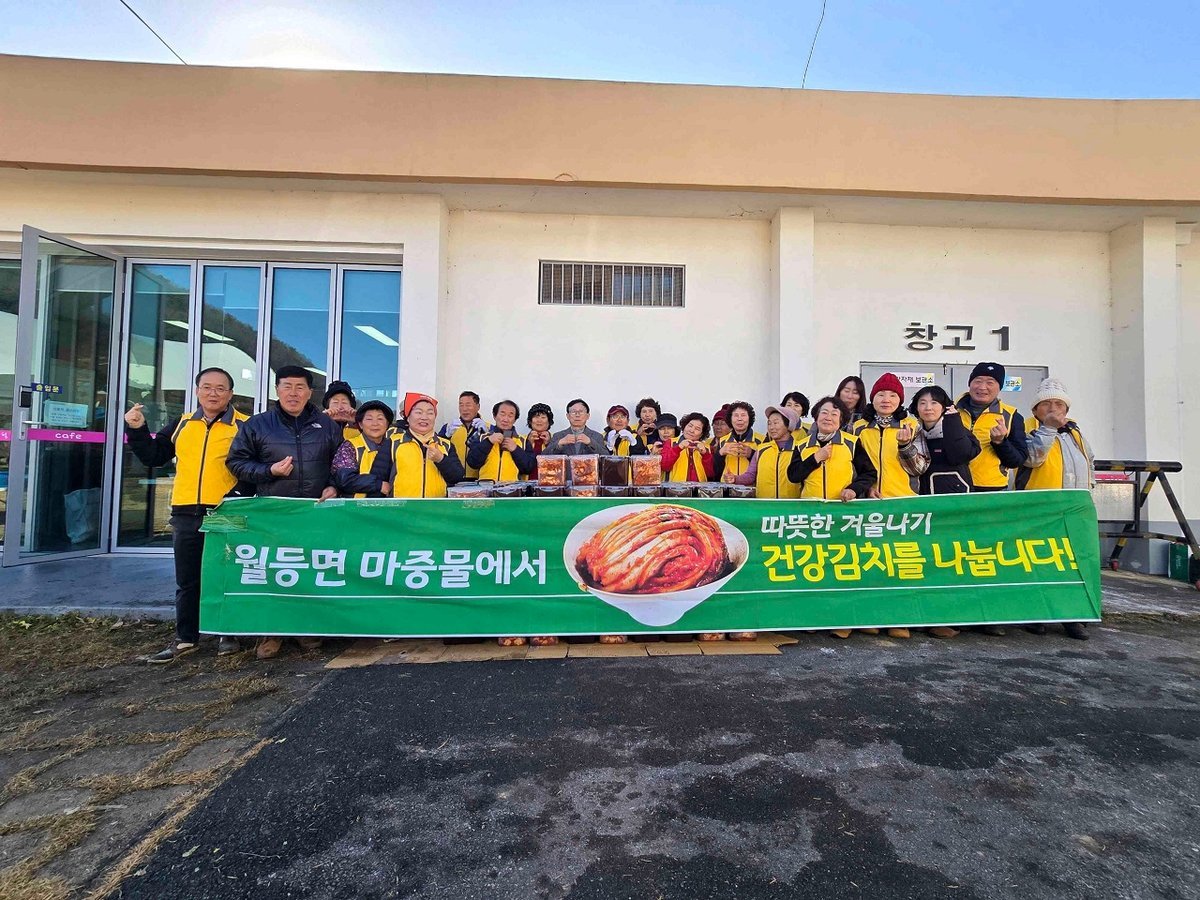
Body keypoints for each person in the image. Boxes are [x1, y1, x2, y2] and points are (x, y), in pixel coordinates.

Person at [124, 367, 250, 663]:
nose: (213, 393)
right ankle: (186, 638)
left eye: (220, 388)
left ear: (231, 394)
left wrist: (238, 496)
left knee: (225, 575)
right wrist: (137, 429)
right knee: (188, 578)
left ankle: (227, 634)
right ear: (197, 391)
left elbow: (251, 466)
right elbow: (154, 456)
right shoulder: (181, 424)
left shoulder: (244, 425)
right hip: (185, 510)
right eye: (207, 387)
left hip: (225, 510)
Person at [226, 365, 343, 659]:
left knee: (311, 570)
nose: (293, 393)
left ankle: (307, 629)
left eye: (300, 387)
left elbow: (342, 463)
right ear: (277, 389)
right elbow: (236, 463)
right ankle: (273, 631)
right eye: (287, 386)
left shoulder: (327, 426)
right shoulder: (257, 425)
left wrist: (334, 485)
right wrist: (269, 471)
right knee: (275, 571)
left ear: (310, 392)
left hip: (315, 512)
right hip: (274, 512)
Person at [786, 396, 876, 639]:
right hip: (811, 516)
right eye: (824, 412)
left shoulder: (852, 442)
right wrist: (816, 458)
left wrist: (854, 489)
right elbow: (793, 475)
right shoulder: (802, 445)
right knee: (812, 568)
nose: (828, 417)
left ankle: (842, 620)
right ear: (816, 417)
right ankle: (812, 617)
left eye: (835, 414)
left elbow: (869, 474)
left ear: (842, 420)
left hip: (842, 516)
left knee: (841, 568)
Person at [1017, 378, 1094, 641]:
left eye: (1059, 404)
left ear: (1066, 409)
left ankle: (1072, 617)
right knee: (1038, 562)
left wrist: (1089, 492)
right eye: (1046, 403)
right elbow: (1032, 458)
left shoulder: (1074, 431)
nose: (1053, 408)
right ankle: (1036, 615)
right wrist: (1048, 428)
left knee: (1071, 563)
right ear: (1035, 409)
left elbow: (1089, 461)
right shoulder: (1026, 428)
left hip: (1072, 510)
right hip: (1039, 509)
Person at [957, 362, 1028, 493]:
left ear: (999, 387)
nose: (982, 387)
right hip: (953, 485)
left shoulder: (1011, 415)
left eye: (990, 382)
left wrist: (1000, 442)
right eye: (978, 381)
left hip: (992, 490)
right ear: (970, 384)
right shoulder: (951, 411)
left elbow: (1017, 461)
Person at [898, 385, 980, 497]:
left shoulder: (956, 427)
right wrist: (904, 444)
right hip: (924, 495)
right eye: (922, 403)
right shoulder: (914, 433)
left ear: (943, 407)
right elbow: (913, 468)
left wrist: (952, 422)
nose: (928, 408)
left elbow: (961, 455)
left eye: (934, 403)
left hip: (955, 495)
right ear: (916, 408)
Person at [856, 374, 921, 500]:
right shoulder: (858, 428)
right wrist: (866, 488)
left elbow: (919, 468)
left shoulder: (912, 426)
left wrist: (905, 446)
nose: (886, 400)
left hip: (904, 498)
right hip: (869, 499)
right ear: (872, 398)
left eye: (892, 395)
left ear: (900, 400)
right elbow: (852, 467)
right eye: (881, 395)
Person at [389, 393, 466, 497]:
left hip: (436, 505)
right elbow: (380, 478)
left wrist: (441, 459)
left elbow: (457, 477)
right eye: (418, 412)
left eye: (430, 413)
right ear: (407, 417)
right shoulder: (393, 442)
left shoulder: (445, 445)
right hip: (402, 506)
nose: (424, 417)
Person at [732, 405, 802, 499]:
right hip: (763, 505)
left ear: (788, 425)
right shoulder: (761, 449)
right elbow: (750, 476)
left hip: (791, 505)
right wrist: (735, 478)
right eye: (769, 423)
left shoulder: (800, 449)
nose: (771, 427)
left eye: (776, 423)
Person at [331, 400, 394, 498]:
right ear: (360, 424)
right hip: (355, 505)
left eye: (380, 419)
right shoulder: (350, 446)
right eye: (369, 419)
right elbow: (344, 479)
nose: (375, 423)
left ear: (387, 424)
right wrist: (378, 485)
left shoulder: (394, 446)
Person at [466, 400, 536, 482]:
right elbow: (472, 463)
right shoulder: (482, 437)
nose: (505, 419)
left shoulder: (523, 441)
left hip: (512, 488)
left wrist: (515, 449)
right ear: (495, 416)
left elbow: (528, 468)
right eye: (502, 414)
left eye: (510, 416)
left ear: (515, 420)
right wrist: (488, 442)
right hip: (485, 487)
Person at [438, 391, 487, 478]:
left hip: (479, 480)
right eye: (461, 405)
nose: (464, 409)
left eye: (468, 405)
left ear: (478, 406)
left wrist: (486, 434)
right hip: (453, 479)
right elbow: (437, 449)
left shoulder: (488, 427)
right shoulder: (449, 427)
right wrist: (446, 436)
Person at [713, 401, 762, 481]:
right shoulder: (723, 440)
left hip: (751, 486)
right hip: (726, 485)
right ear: (730, 419)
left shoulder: (761, 440)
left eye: (743, 415)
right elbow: (716, 470)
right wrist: (720, 454)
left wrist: (752, 454)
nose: (739, 419)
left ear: (749, 418)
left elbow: (766, 467)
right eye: (736, 415)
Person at [661, 413, 714, 481]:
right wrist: (678, 448)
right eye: (690, 426)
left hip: (700, 487)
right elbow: (664, 467)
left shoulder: (707, 448)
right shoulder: (671, 442)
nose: (691, 430)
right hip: (674, 487)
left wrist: (705, 454)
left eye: (697, 429)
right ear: (684, 426)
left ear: (701, 434)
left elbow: (710, 474)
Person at [525, 403, 554, 480]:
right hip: (525, 484)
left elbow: (559, 464)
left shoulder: (556, 439)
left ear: (549, 421)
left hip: (549, 483)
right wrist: (528, 444)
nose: (539, 420)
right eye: (536, 417)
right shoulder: (521, 440)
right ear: (530, 421)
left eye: (543, 417)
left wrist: (549, 444)